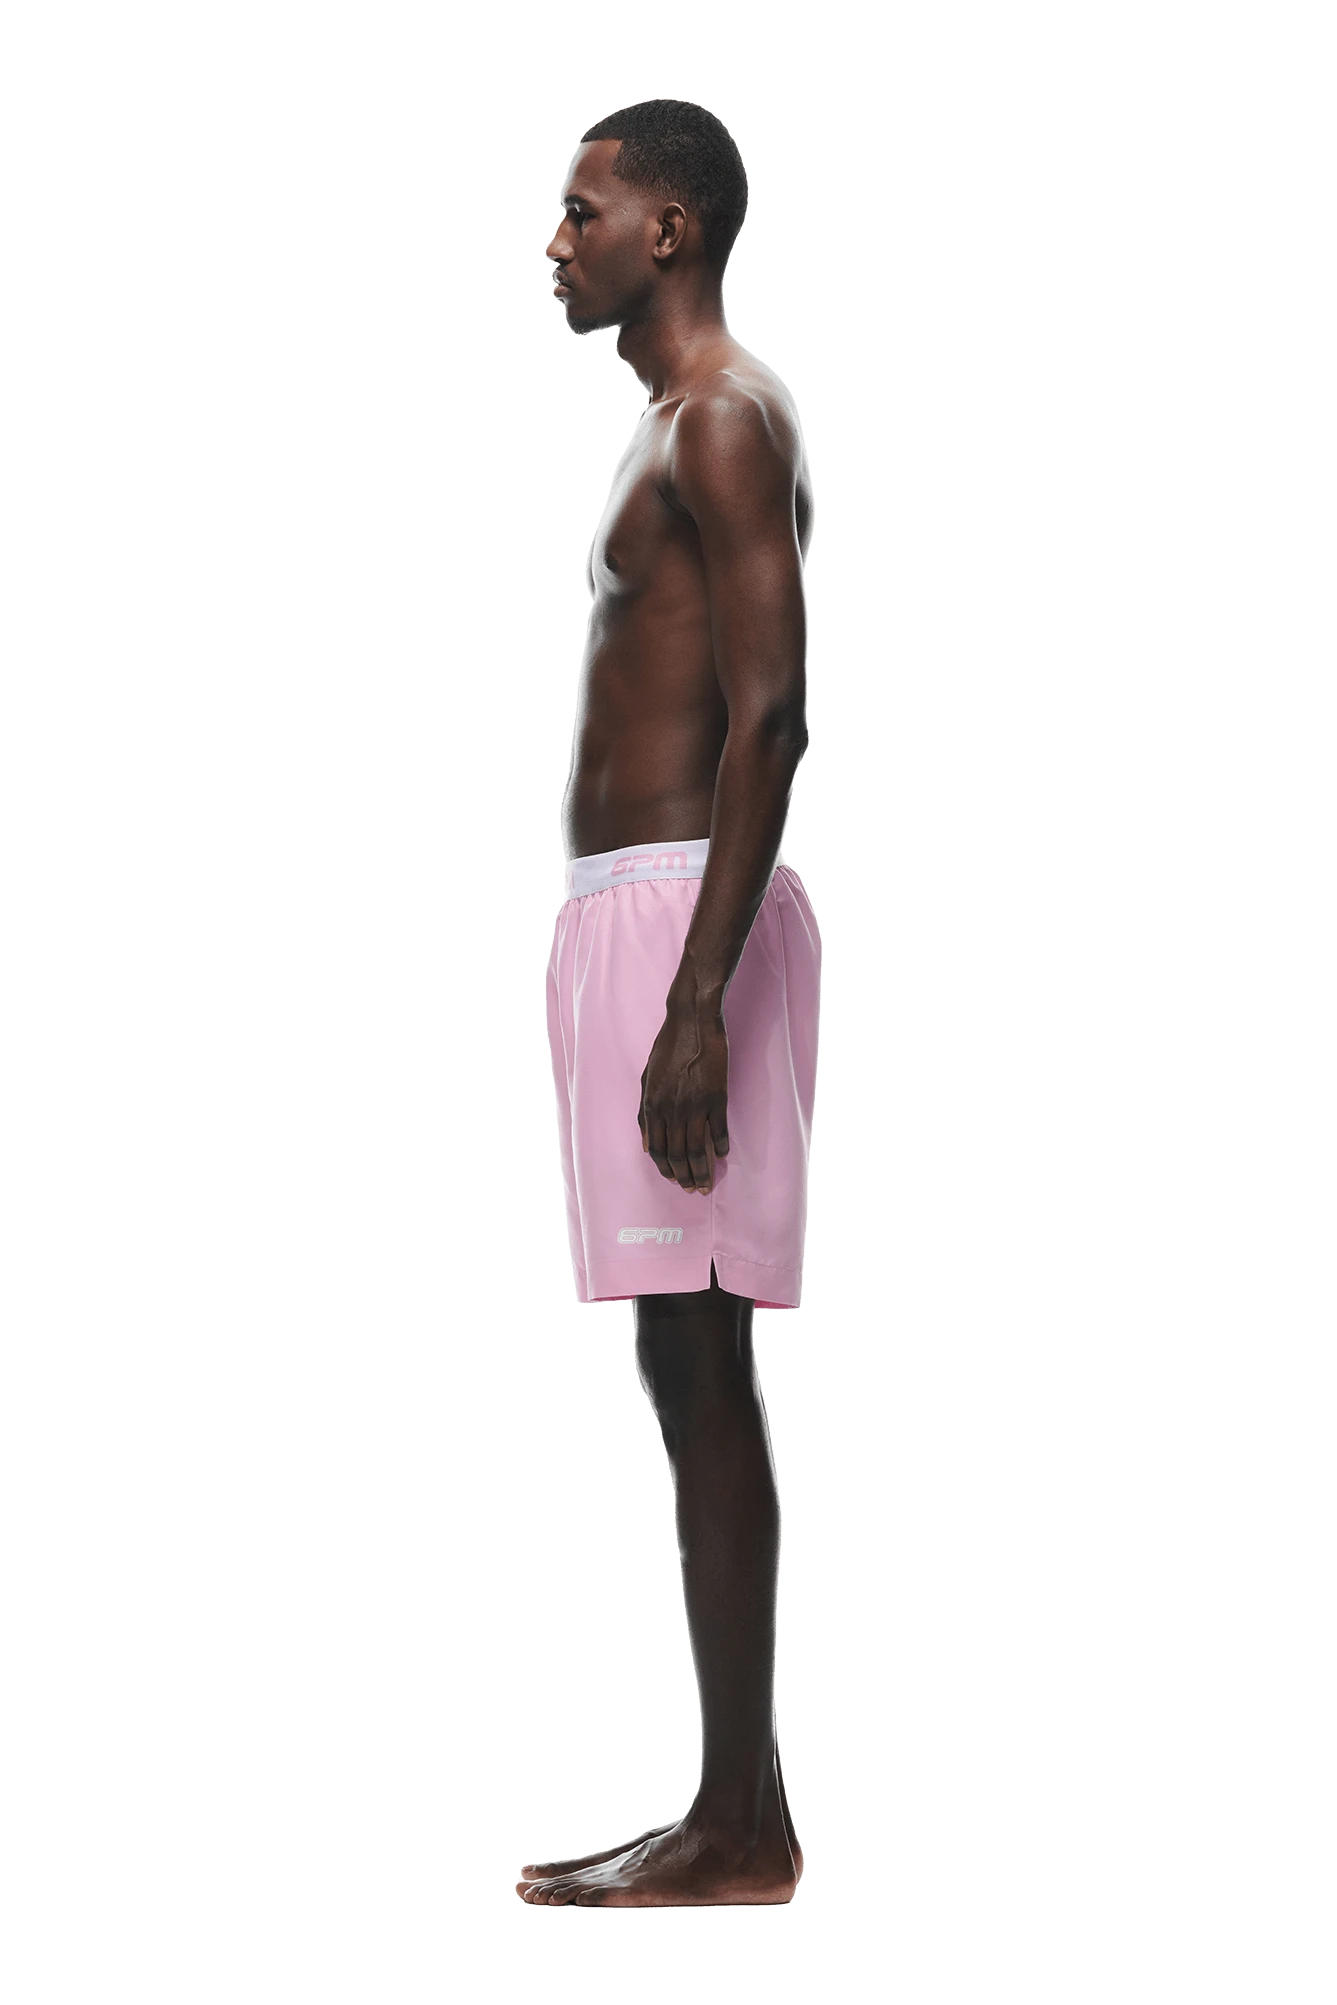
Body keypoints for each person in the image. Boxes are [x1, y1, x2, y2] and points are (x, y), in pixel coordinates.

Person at [524, 99, 818, 1911]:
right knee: (680, 1352)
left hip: (685, 922)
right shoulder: (671, 421)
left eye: (583, 211)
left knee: (702, 1355)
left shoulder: (724, 414)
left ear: (672, 230)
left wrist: (698, 998)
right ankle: (733, 1809)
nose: (558, 240)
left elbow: (775, 709)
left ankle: (741, 1820)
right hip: (636, 916)